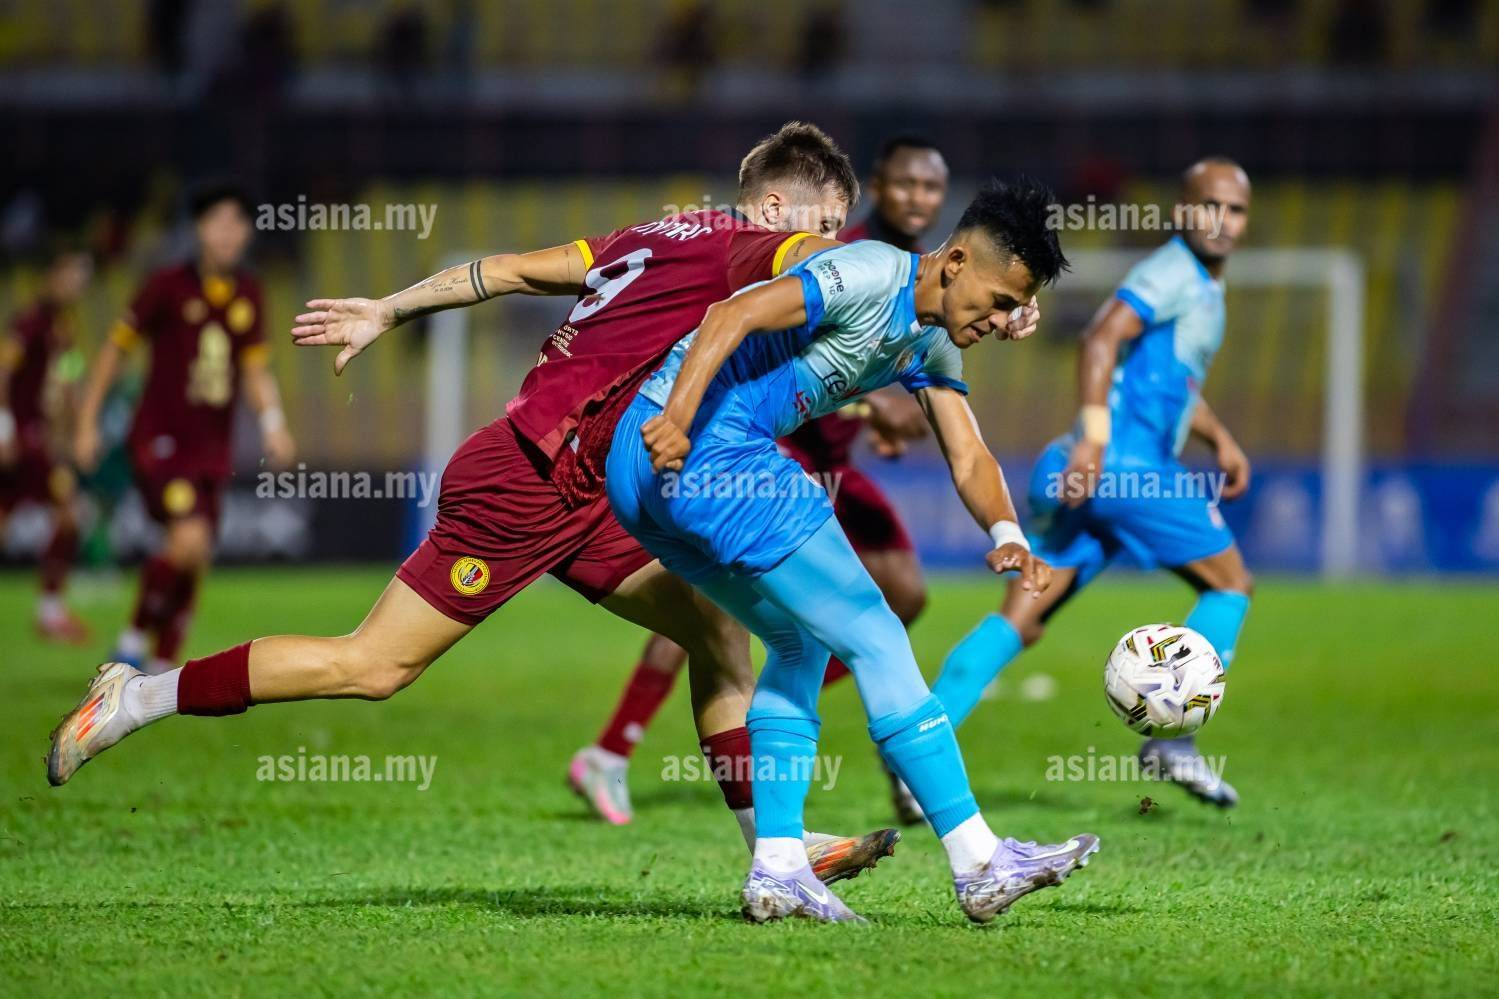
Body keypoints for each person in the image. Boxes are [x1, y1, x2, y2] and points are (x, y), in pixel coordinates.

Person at [48, 124, 896, 885]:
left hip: (588, 487)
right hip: (527, 479)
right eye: (822, 224)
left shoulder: (654, 236)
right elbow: (847, 275)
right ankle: (138, 697)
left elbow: (509, 270)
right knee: (371, 666)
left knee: (716, 633)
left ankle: (776, 851)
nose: (824, 244)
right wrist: (927, 288)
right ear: (774, 206)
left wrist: (388, 307)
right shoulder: (747, 247)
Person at [606, 178, 1099, 924]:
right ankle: (979, 861)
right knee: (875, 632)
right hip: (701, 447)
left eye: (1013, 309)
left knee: (797, 640)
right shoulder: (869, 272)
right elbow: (730, 313)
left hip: (638, 471)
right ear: (955, 261)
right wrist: (678, 419)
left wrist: (1007, 534)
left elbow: (968, 455)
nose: (1002, 323)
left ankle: (778, 866)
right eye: (998, 302)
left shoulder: (934, 339)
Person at [568, 136, 950, 827]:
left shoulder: (924, 270)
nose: (918, 198)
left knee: (901, 592)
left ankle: (804, 706)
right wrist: (872, 407)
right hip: (760, 445)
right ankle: (615, 747)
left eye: (931, 187)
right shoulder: (831, 248)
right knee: (717, 609)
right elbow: (770, 344)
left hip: (833, 462)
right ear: (878, 187)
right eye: (905, 184)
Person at [932, 158, 1254, 807]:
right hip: (1126, 468)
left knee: (1023, 615)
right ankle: (1173, 739)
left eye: (1235, 209)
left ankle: (921, 741)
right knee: (1230, 585)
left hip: (1083, 471)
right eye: (1208, 204)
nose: (1221, 220)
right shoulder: (1172, 272)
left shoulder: (1197, 286)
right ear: (1180, 210)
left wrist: (1216, 436)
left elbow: (1164, 383)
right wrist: (1096, 440)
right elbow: (1099, 339)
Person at [74, 183, 296, 675]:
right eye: (218, 222)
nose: (229, 233)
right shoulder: (166, 285)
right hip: (160, 438)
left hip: (211, 449)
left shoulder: (249, 293)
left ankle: (161, 665)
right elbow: (115, 350)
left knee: (197, 555)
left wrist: (273, 422)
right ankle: (130, 646)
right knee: (188, 539)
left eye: (238, 223)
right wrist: (87, 421)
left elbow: (255, 369)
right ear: (198, 229)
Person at [0, 244, 94, 643]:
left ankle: (51, 611)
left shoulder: (63, 325)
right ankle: (50, 611)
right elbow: (4, 370)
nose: (77, 285)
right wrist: (4, 428)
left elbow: (68, 375)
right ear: (53, 275)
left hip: (38, 438)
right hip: (23, 437)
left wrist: (78, 423)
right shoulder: (30, 322)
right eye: (71, 275)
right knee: (72, 513)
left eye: (82, 278)